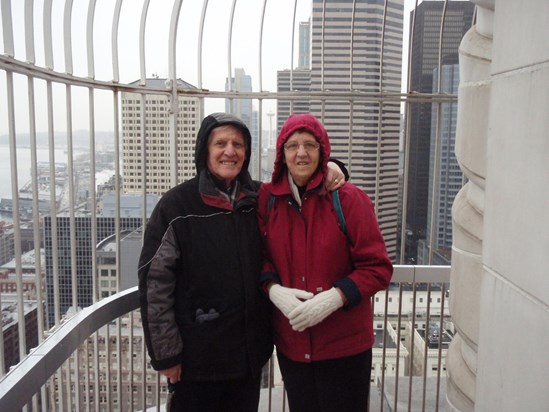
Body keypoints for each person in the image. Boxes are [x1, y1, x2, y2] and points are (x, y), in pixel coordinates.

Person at [138, 112, 345, 412]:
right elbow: (155, 283)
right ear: (204, 151)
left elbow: (301, 185)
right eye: (220, 143)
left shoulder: (260, 198)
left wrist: (333, 168)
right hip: (197, 360)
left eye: (238, 144)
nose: (230, 151)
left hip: (248, 358)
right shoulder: (176, 207)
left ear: (247, 153)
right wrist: (166, 355)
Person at [257, 113, 393, 412]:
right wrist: (272, 288)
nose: (301, 153)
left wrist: (335, 297)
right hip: (293, 345)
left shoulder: (349, 200)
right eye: (292, 146)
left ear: (323, 152)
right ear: (281, 155)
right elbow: (259, 255)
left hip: (345, 347)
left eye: (310, 145)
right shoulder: (266, 200)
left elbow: (378, 268)